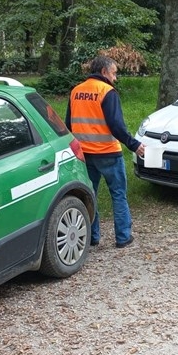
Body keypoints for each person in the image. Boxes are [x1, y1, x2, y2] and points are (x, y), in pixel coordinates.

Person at [66, 56, 145, 248]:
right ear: (103, 72)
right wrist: (134, 144)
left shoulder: (76, 91)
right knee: (118, 194)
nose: (115, 78)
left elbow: (68, 124)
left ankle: (92, 237)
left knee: (89, 195)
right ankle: (123, 236)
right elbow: (116, 125)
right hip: (108, 153)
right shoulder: (107, 92)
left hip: (84, 154)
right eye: (114, 73)